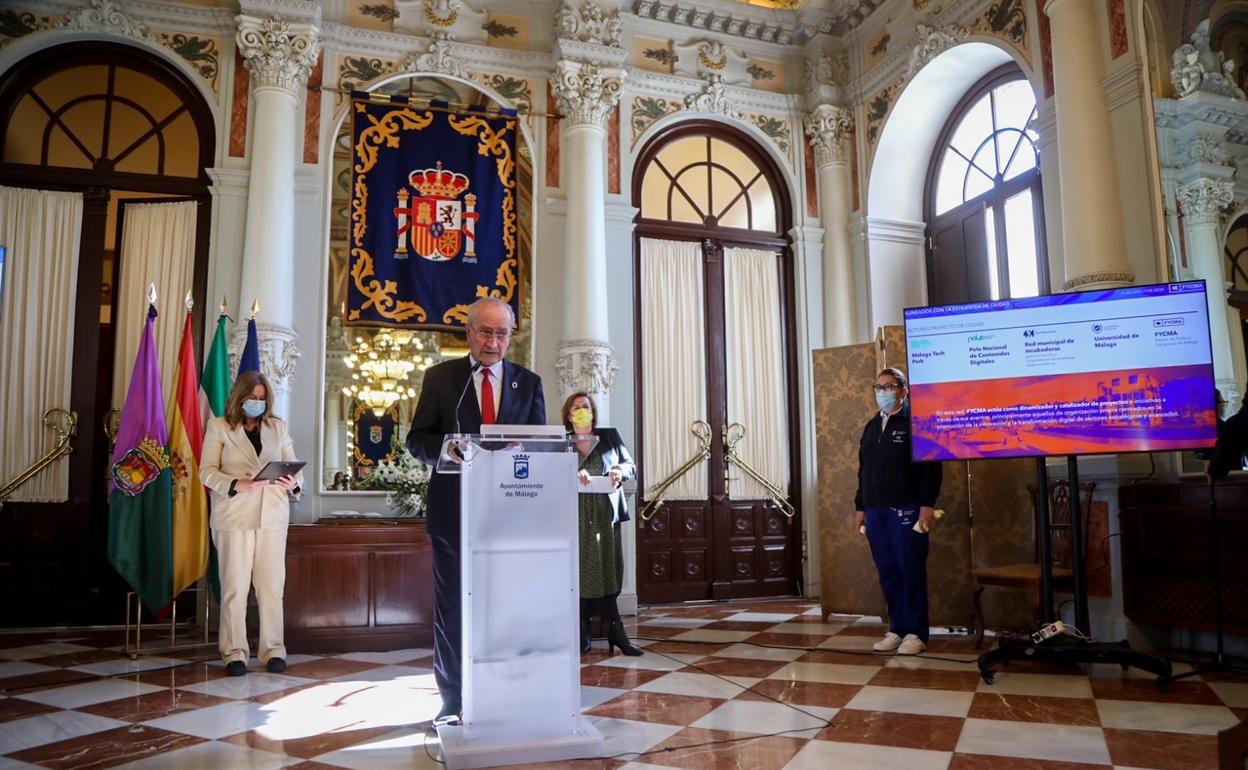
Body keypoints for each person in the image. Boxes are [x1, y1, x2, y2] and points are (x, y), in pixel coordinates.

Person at [407, 296, 545, 726]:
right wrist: (447, 448)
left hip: (508, 514)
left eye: (502, 333)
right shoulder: (442, 378)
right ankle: (453, 696)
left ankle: (505, 688)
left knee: (504, 606)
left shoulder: (529, 382)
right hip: (454, 514)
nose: (493, 341)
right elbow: (417, 440)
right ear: (468, 332)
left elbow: (541, 444)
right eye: (485, 332)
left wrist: (531, 450)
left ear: (510, 337)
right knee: (452, 607)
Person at [200, 371, 301, 676]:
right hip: (234, 517)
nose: (257, 403)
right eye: (251, 398)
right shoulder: (219, 427)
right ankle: (234, 653)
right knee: (235, 587)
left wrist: (292, 483)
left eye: (261, 398)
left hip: (272, 516)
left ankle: (273, 650)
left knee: (272, 588)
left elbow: (295, 469)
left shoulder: (277, 428)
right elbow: (206, 471)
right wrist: (236, 484)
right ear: (239, 397)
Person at [853, 367, 942, 656]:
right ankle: (897, 628)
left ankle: (916, 632)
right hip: (876, 511)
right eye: (878, 387)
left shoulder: (918, 422)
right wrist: (860, 507)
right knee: (888, 572)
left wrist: (927, 504)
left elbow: (931, 467)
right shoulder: (871, 427)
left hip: (907, 509)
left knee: (910, 570)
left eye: (889, 386)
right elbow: (864, 471)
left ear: (903, 390)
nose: (883, 392)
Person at [563, 391, 642, 657]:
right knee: (578, 571)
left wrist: (620, 471)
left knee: (607, 568)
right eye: (576, 407)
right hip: (574, 515)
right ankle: (582, 629)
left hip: (605, 515)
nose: (582, 410)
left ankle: (616, 630)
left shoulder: (608, 436)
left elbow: (631, 465)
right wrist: (572, 472)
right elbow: (549, 472)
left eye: (586, 406)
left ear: (593, 412)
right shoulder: (562, 441)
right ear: (568, 414)